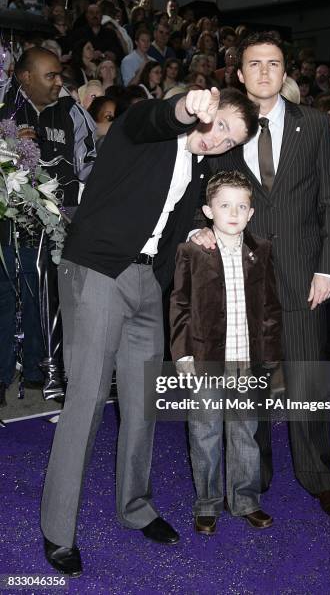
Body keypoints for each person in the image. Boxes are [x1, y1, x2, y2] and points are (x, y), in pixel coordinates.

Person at [40, 86, 259, 576]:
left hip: (146, 283)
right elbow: (154, 118)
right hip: (98, 270)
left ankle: (135, 507)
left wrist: (198, 233)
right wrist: (187, 107)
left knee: (142, 405)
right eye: (219, 124)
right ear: (208, 109)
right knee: (87, 402)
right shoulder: (147, 131)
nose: (217, 140)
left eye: (230, 141)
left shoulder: (202, 170)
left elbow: (176, 220)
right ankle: (58, 530)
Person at [193, 32, 330, 519]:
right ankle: (251, 478)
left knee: (306, 378)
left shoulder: (316, 124)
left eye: (274, 63)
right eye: (254, 64)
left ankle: (318, 477)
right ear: (239, 74)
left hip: (306, 274)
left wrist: (328, 267)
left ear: (286, 73)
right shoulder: (224, 128)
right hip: (243, 276)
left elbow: (329, 200)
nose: (264, 71)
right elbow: (206, 190)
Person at [170, 170, 282, 534]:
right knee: (204, 434)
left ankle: (246, 500)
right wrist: (183, 355)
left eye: (241, 206)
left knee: (245, 433)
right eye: (224, 205)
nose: (233, 213)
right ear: (208, 210)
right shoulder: (192, 251)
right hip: (205, 361)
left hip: (246, 362)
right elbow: (180, 305)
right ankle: (207, 503)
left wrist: (269, 359)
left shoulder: (261, 251)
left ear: (251, 213)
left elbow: (269, 310)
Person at [0, 47, 96, 405]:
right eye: (50, 76)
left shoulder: (72, 111)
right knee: (6, 298)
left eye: (60, 75)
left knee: (51, 299)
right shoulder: (3, 105)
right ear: (25, 77)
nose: (59, 83)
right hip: (7, 225)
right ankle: (3, 373)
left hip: (58, 228)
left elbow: (89, 163)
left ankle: (48, 372)